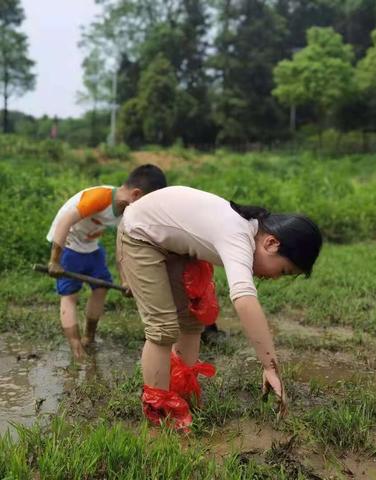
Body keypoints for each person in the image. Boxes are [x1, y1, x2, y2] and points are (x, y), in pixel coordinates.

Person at [117, 186, 322, 430]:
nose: (276, 277)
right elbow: (244, 299)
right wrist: (270, 366)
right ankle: (160, 413)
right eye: (284, 271)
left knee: (193, 321)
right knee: (162, 329)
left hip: (177, 245)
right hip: (141, 235)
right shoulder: (238, 235)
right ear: (271, 243)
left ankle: (185, 399)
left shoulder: (246, 229)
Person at [46, 164, 167, 360]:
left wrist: (125, 280)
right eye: (147, 203)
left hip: (91, 246)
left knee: (101, 287)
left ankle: (89, 337)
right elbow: (65, 221)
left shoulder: (126, 211)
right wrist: (54, 261)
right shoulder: (99, 197)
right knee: (69, 295)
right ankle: (76, 346)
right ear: (136, 195)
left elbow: (121, 249)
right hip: (68, 245)